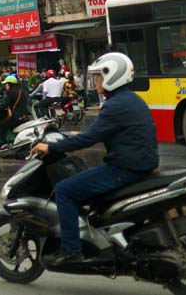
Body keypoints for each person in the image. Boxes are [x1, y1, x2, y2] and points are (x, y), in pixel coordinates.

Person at [30, 52, 159, 266]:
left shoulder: (115, 105)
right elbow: (101, 132)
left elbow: (89, 139)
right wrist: (74, 136)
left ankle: (72, 251)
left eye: (100, 76)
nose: (96, 81)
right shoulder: (130, 99)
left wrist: (50, 146)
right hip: (142, 163)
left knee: (64, 190)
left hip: (125, 168)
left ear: (113, 75)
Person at [0, 74, 29, 141]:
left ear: (10, 84)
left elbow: (5, 105)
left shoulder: (11, 93)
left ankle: (4, 145)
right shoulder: (21, 91)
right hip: (24, 116)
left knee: (1, 125)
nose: (5, 86)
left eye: (6, 84)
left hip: (16, 117)